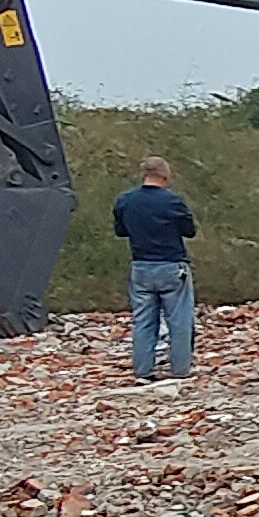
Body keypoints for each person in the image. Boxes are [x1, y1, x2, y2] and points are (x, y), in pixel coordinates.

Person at [112, 157, 197, 380]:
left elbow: (121, 231)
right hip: (171, 265)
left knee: (143, 321)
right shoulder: (173, 201)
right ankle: (180, 370)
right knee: (179, 321)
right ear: (165, 174)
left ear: (143, 174)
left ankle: (143, 370)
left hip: (141, 265)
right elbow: (189, 230)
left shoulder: (125, 200)